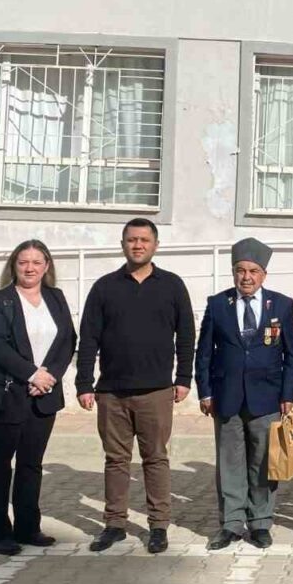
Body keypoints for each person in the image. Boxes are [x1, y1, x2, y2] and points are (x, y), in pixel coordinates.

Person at [75, 219, 195, 555]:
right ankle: (114, 524)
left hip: (156, 391)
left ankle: (158, 526)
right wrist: (84, 382)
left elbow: (186, 335)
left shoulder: (172, 285)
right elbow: (89, 338)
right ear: (123, 244)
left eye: (144, 240)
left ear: (155, 245)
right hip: (111, 392)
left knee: (155, 459)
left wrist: (184, 378)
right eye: (131, 240)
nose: (137, 245)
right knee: (116, 460)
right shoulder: (104, 287)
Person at [197, 238, 293, 550]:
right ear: (233, 272)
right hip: (226, 397)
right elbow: (204, 353)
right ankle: (230, 523)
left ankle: (260, 522)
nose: (246, 277)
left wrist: (289, 394)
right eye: (240, 270)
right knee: (229, 463)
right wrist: (205, 392)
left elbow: (292, 355)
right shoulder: (218, 304)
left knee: (263, 463)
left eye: (253, 271)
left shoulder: (281, 305)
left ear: (264, 274)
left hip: (267, 398)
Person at [0, 240, 76, 555]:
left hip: (43, 395)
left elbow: (68, 340)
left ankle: (27, 527)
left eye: (36, 262)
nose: (29, 268)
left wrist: (50, 376)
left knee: (31, 464)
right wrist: (33, 374)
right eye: (23, 262)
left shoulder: (56, 298)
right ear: (14, 266)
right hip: (8, 393)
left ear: (46, 266)